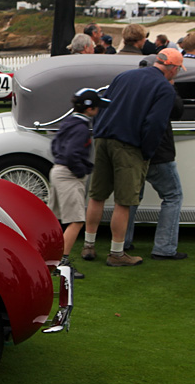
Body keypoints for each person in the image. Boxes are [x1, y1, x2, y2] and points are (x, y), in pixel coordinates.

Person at [82, 49, 182, 267]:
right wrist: (146, 152)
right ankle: (116, 253)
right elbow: (155, 124)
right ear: (173, 68)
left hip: (103, 138)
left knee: (97, 196)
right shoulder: (164, 88)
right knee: (124, 201)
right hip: (128, 145)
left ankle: (89, 245)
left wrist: (100, 132)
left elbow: (102, 105)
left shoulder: (124, 76)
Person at [48, 88, 107, 279]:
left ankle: (50, 258)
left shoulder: (69, 122)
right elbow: (72, 153)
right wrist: (81, 170)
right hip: (68, 175)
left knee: (57, 218)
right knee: (76, 220)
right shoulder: (81, 128)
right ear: (89, 109)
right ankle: (61, 263)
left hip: (58, 170)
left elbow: (55, 145)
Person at [123, 91, 187, 260]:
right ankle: (164, 247)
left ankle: (122, 242)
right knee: (173, 196)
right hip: (158, 154)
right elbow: (177, 111)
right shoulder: (163, 89)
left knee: (131, 198)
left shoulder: (129, 88)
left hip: (132, 151)